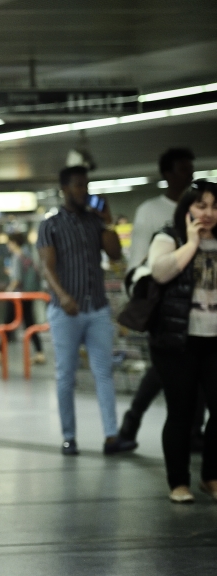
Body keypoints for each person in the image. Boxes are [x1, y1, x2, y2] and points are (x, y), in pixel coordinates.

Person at [37, 165, 136, 456]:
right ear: (65, 190)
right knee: (65, 375)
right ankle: (69, 437)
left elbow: (115, 253)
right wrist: (63, 296)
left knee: (103, 372)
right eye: (78, 186)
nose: (84, 191)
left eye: (86, 185)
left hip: (97, 309)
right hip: (65, 311)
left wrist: (107, 221)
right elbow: (47, 267)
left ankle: (111, 437)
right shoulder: (51, 225)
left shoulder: (95, 223)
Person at [119, 148, 198, 444]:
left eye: (191, 169)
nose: (189, 175)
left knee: (195, 370)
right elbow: (138, 263)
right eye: (182, 169)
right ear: (167, 174)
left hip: (198, 308)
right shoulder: (150, 211)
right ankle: (134, 419)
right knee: (164, 370)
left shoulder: (200, 209)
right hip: (165, 306)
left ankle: (193, 431)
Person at [144, 181, 217, 503]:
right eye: (202, 206)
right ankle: (179, 482)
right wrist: (190, 243)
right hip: (177, 341)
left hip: (215, 340)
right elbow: (159, 273)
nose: (209, 213)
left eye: (215, 207)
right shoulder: (166, 237)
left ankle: (211, 476)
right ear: (187, 207)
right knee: (182, 412)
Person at [6, 232, 45, 364]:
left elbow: (17, 279)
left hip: (19, 295)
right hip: (29, 294)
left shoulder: (17, 256)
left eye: (9, 243)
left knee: (8, 322)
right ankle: (40, 352)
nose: (7, 246)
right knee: (29, 323)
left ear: (14, 243)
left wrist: (8, 291)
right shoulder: (28, 254)